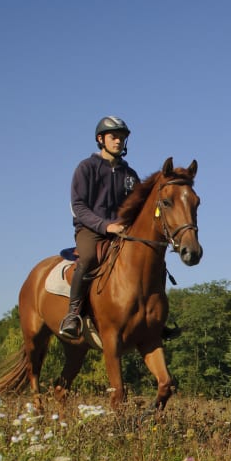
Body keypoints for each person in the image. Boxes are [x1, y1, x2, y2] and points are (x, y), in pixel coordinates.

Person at [59, 116, 140, 339]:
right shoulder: (86, 168)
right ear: (101, 139)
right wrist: (106, 226)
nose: (118, 141)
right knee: (87, 258)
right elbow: (78, 206)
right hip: (90, 230)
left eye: (122, 138)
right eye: (114, 137)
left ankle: (153, 317)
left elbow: (139, 207)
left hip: (122, 231)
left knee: (147, 259)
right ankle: (73, 314)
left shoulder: (130, 175)